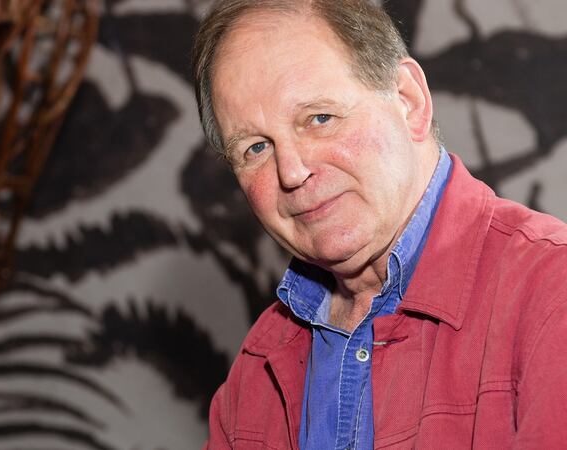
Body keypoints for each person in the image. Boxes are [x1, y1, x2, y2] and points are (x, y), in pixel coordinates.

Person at [192, 0, 567, 448]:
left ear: (409, 101)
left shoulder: (551, 294)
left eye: (319, 119)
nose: (291, 171)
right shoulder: (258, 365)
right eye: (255, 148)